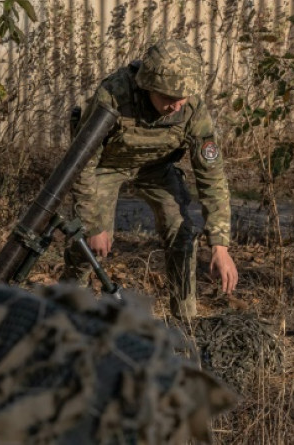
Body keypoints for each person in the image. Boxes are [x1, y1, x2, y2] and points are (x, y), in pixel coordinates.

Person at [63, 39, 237, 320]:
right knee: (85, 245)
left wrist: (220, 244)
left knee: (181, 231)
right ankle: (67, 312)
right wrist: (93, 224)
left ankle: (185, 319)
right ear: (148, 86)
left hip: (156, 169)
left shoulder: (191, 108)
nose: (175, 105)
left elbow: (212, 177)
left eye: (181, 98)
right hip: (106, 167)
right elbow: (82, 164)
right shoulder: (114, 94)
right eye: (167, 97)